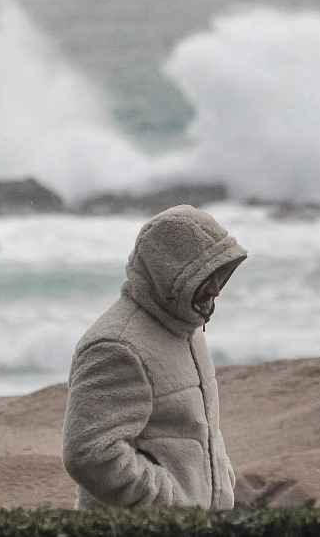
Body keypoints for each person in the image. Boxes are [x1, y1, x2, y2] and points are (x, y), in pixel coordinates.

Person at [62, 205, 247, 508]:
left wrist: (220, 482)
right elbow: (89, 454)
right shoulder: (117, 346)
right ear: (169, 274)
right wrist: (168, 503)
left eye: (219, 273)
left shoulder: (185, 329)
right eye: (204, 274)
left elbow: (195, 430)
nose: (215, 288)